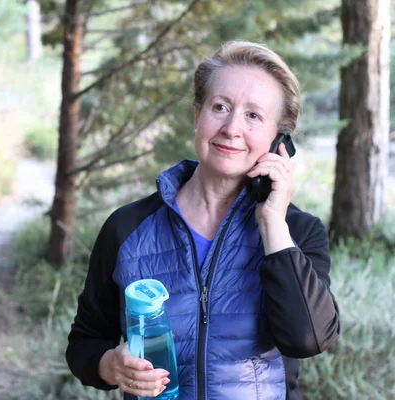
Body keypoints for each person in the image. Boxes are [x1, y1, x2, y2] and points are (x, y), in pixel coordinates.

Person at [65, 41, 340, 400]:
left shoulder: (298, 233)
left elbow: (308, 338)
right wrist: (111, 366)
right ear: (198, 118)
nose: (231, 128)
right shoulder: (127, 228)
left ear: (278, 142)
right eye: (220, 107)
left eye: (253, 115)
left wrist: (273, 222)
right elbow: (85, 343)